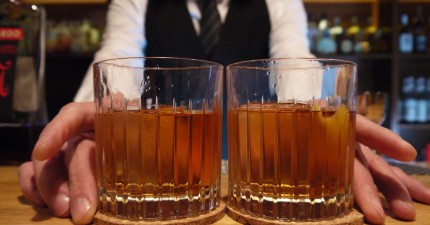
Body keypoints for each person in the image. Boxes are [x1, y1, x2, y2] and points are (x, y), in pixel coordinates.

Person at [18, 0, 430, 224]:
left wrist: (324, 144)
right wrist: (95, 127)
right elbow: (115, 59)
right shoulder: (136, 2)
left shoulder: (279, 3)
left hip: (261, 172)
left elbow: (296, 70)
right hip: (163, 173)